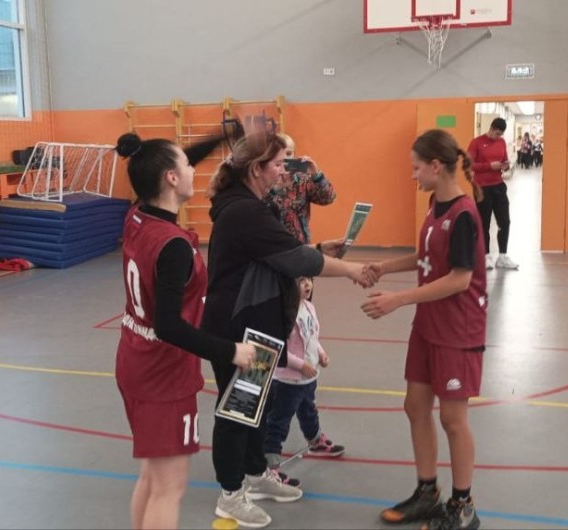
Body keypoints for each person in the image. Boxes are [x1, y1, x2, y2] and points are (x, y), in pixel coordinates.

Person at [202, 131, 376, 528]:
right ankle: (230, 495)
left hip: (259, 326)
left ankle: (256, 475)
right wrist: (349, 269)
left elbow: (279, 253)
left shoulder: (253, 206)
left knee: (256, 408)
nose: (284, 171)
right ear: (256, 169)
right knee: (237, 413)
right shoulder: (243, 211)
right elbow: (294, 259)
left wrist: (318, 250)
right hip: (238, 330)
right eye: (279, 164)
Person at [113, 133, 257, 530]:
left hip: (134, 360)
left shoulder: (137, 216)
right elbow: (169, 326)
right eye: (187, 165)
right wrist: (231, 351)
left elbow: (163, 164)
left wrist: (220, 138)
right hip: (163, 375)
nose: (194, 169)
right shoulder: (173, 246)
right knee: (169, 489)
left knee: (151, 478)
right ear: (171, 178)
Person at [362, 129, 487, 530]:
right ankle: (427, 492)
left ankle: (463, 506)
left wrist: (398, 299)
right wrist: (386, 266)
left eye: (416, 168)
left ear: (435, 166)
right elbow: (429, 255)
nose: (413, 175)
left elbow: (460, 279)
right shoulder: (436, 206)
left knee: (452, 418)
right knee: (415, 406)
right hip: (429, 325)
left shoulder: (464, 214)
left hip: (458, 330)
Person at [264, 276, 345, 475]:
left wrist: (321, 353)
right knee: (278, 421)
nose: (307, 284)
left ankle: (315, 440)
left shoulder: (309, 307)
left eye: (309, 279)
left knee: (308, 410)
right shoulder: (283, 313)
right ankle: (270, 465)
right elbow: (278, 349)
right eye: (301, 281)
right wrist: (300, 365)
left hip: (308, 379)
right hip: (287, 381)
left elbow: (312, 337)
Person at [264, 133, 336, 244]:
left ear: (294, 155)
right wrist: (278, 186)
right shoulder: (266, 179)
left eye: (289, 153)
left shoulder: (302, 179)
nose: (285, 158)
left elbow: (328, 198)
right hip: (273, 243)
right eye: (280, 154)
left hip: (300, 244)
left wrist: (316, 175)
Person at [467, 117, 519, 270]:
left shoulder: (501, 142)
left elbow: (504, 159)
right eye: (497, 133)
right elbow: (470, 165)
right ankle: (485, 257)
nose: (498, 137)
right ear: (491, 128)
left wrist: (505, 166)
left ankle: (502, 257)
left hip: (498, 186)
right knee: (484, 222)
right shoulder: (476, 142)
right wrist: (490, 166)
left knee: (505, 221)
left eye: (501, 134)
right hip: (482, 188)